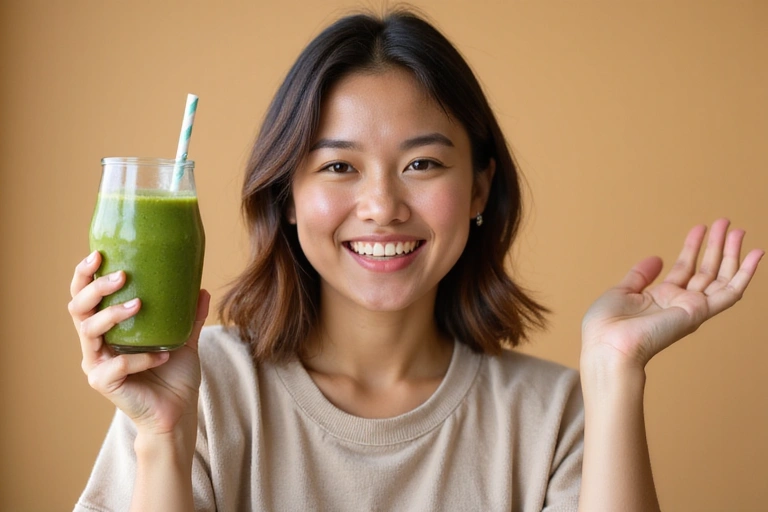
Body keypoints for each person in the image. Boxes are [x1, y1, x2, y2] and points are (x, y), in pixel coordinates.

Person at [68, 9, 762, 512]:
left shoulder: (553, 416)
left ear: (480, 189)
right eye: (339, 166)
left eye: (422, 163)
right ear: (287, 196)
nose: (382, 206)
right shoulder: (200, 386)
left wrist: (614, 371)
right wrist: (163, 435)